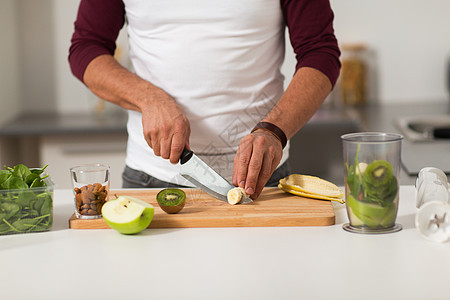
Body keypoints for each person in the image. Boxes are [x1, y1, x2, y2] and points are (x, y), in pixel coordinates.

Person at [69, 0, 340, 200]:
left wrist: (274, 130)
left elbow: (320, 52)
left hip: (263, 177)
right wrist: (149, 99)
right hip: (151, 177)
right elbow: (87, 47)